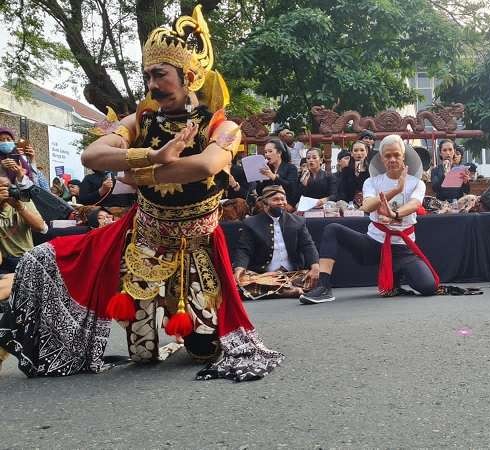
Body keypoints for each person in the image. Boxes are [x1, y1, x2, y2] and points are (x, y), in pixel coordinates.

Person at [0, 6, 283, 381]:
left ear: (190, 76)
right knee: (143, 354)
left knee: (205, 350)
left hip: (197, 246)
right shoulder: (141, 121)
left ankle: (196, 331)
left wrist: (138, 171)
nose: (151, 85)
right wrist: (153, 154)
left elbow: (205, 166)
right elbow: (92, 154)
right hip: (146, 242)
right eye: (147, 75)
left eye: (160, 75)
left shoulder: (222, 125)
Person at [300, 134, 438, 304]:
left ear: (403, 156)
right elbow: (367, 206)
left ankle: (397, 274)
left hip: (402, 247)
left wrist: (394, 214)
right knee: (332, 229)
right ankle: (324, 287)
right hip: (374, 243)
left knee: (428, 287)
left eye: (396, 155)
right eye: (388, 156)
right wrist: (396, 190)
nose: (392, 159)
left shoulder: (417, 182)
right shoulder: (372, 182)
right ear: (381, 158)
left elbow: (415, 204)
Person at [233, 185, 320, 299]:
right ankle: (287, 290)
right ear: (265, 204)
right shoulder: (251, 223)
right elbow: (244, 249)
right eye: (275, 200)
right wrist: (239, 268)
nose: (281, 202)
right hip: (263, 276)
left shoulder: (297, 221)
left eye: (283, 199)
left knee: (316, 278)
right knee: (239, 282)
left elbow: (308, 245)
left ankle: (277, 290)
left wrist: (315, 267)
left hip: (292, 274)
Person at [0, 175, 47, 274]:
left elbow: (42, 228)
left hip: (24, 257)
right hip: (2, 260)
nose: (4, 191)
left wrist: (20, 207)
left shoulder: (22, 201)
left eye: (6, 187)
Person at [256, 138, 300, 207]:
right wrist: (260, 179)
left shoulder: (291, 168)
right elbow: (260, 192)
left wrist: (273, 177)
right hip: (268, 205)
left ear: (279, 153)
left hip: (285, 204)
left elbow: (291, 188)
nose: (267, 155)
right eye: (265, 152)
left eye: (270, 151)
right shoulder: (267, 169)